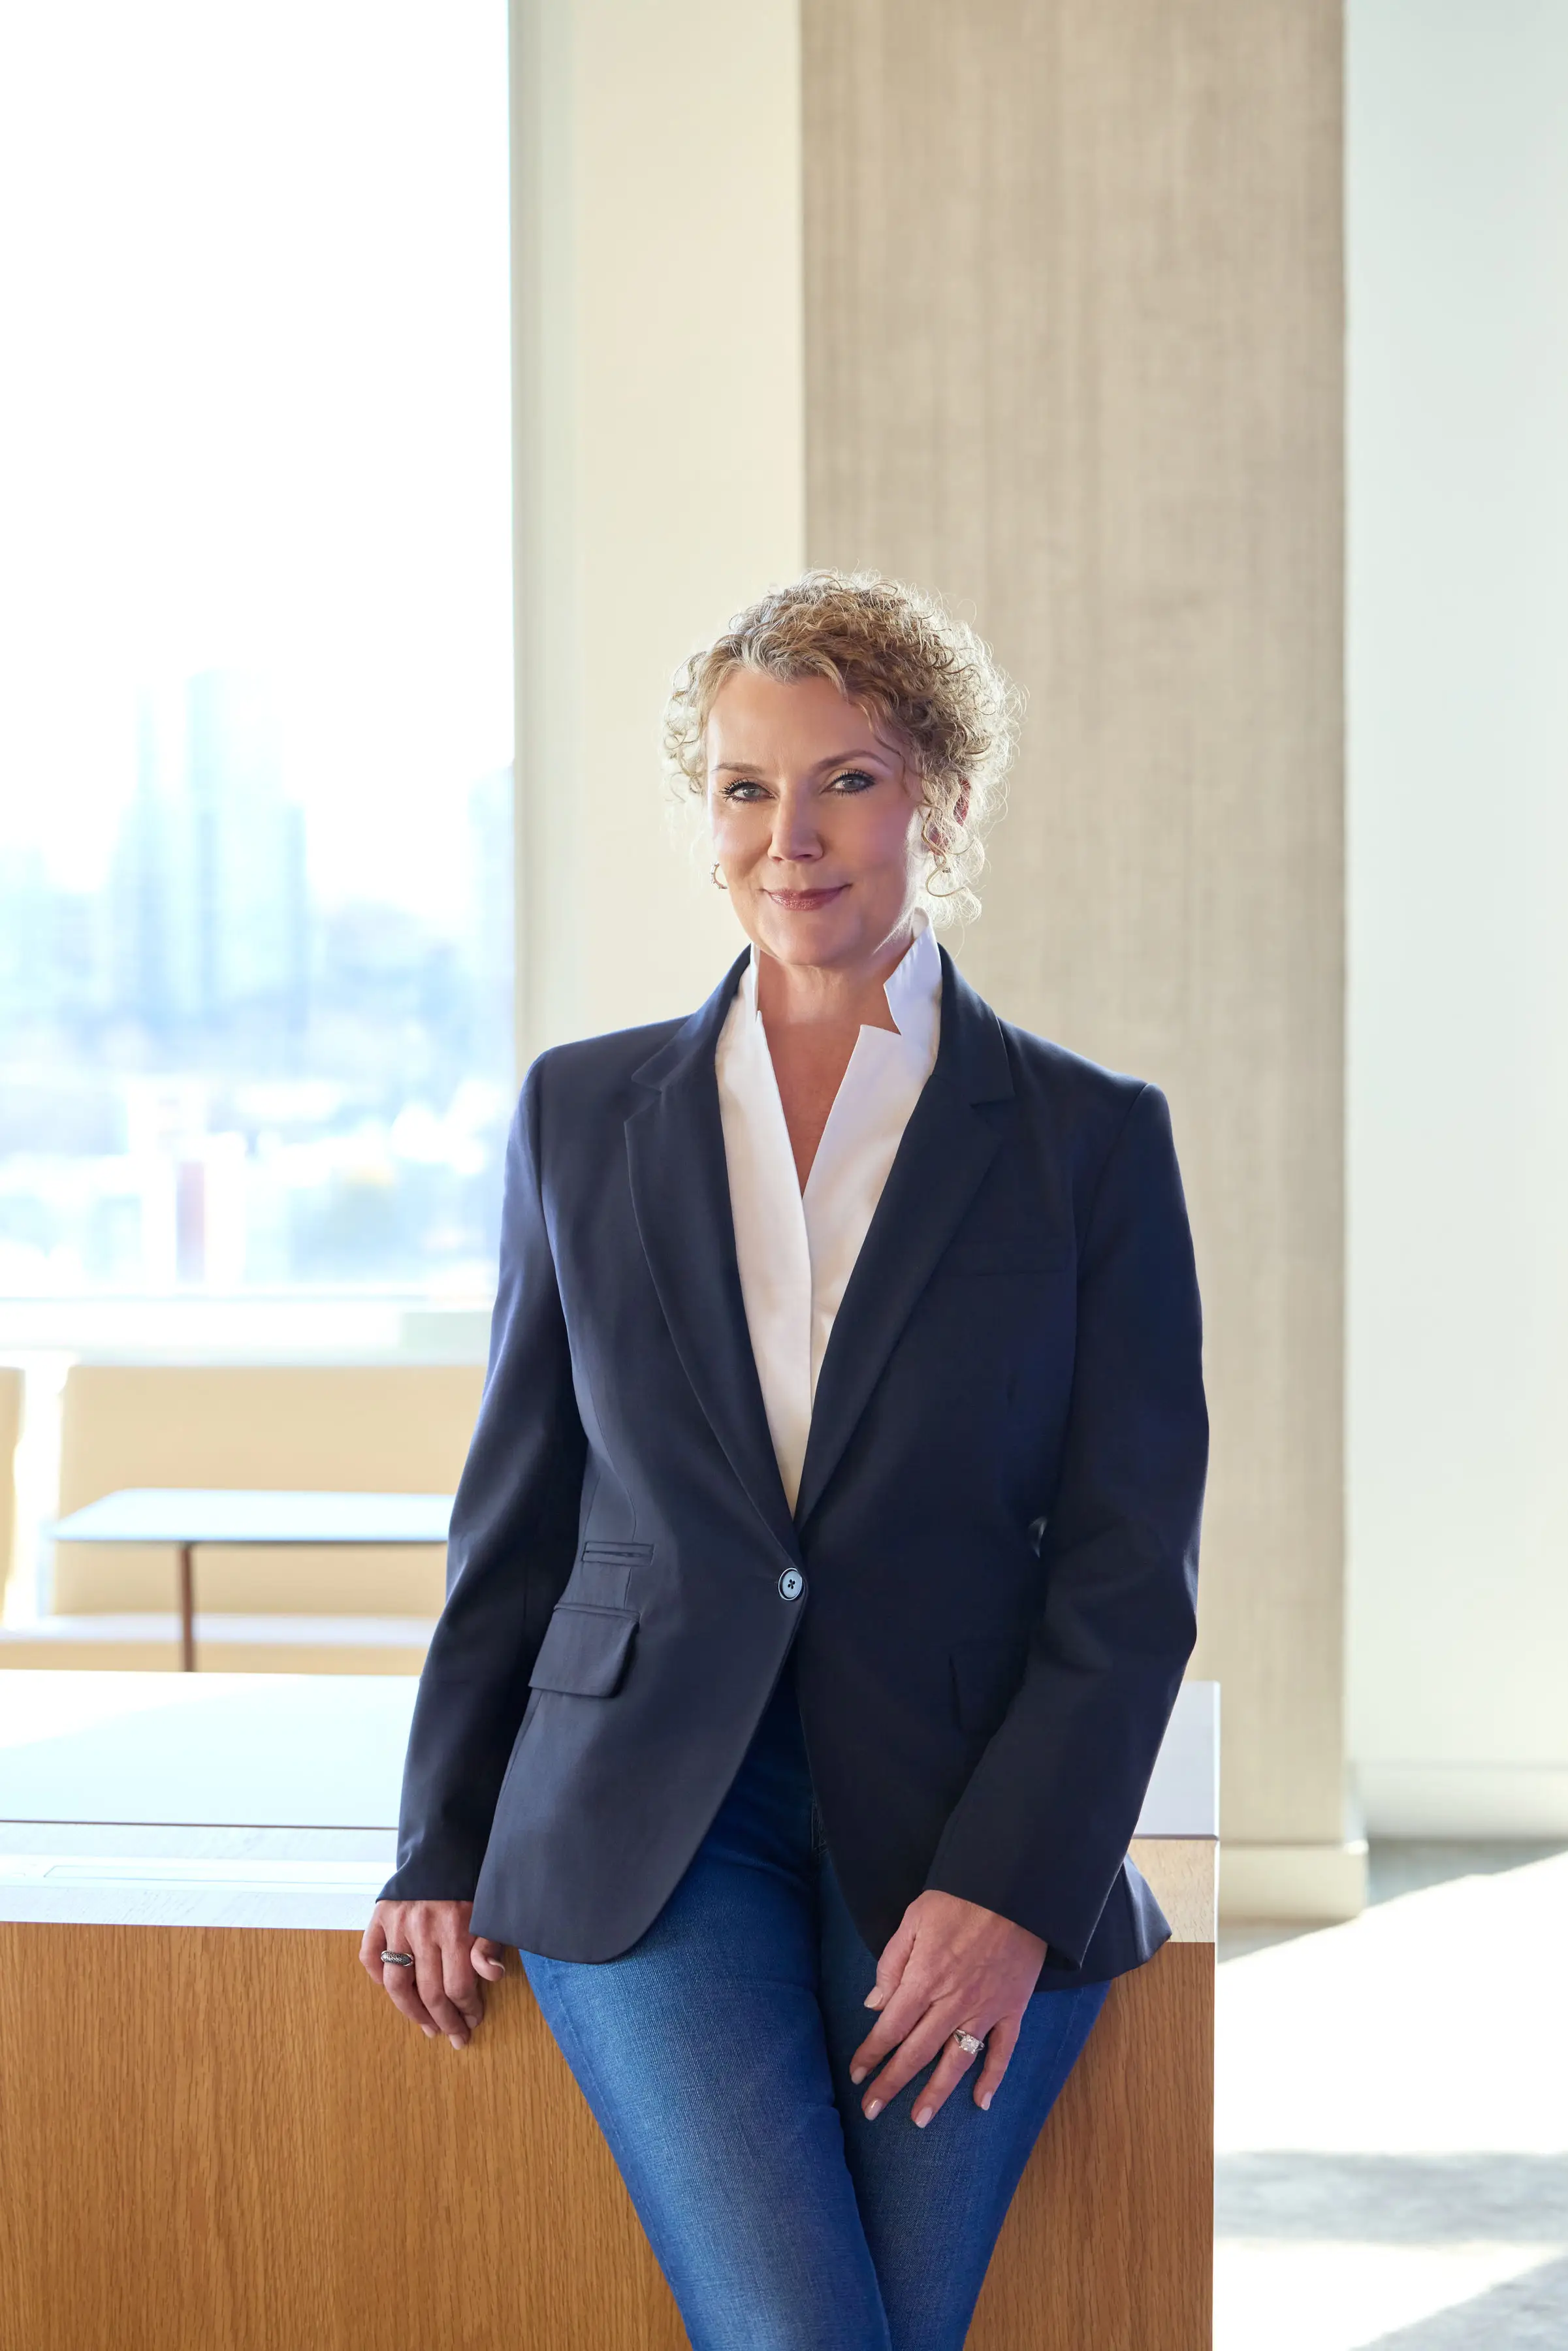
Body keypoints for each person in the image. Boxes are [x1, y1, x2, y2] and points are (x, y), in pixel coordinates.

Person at [362, 571, 1208, 2351]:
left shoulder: (1088, 1142)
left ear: (942, 803)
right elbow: (518, 1511)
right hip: (647, 1820)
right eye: (747, 788)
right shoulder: (584, 1114)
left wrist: (1010, 1893)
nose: (791, 837)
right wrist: (436, 1836)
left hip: (967, 1825)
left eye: (847, 780)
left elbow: (1131, 1575)